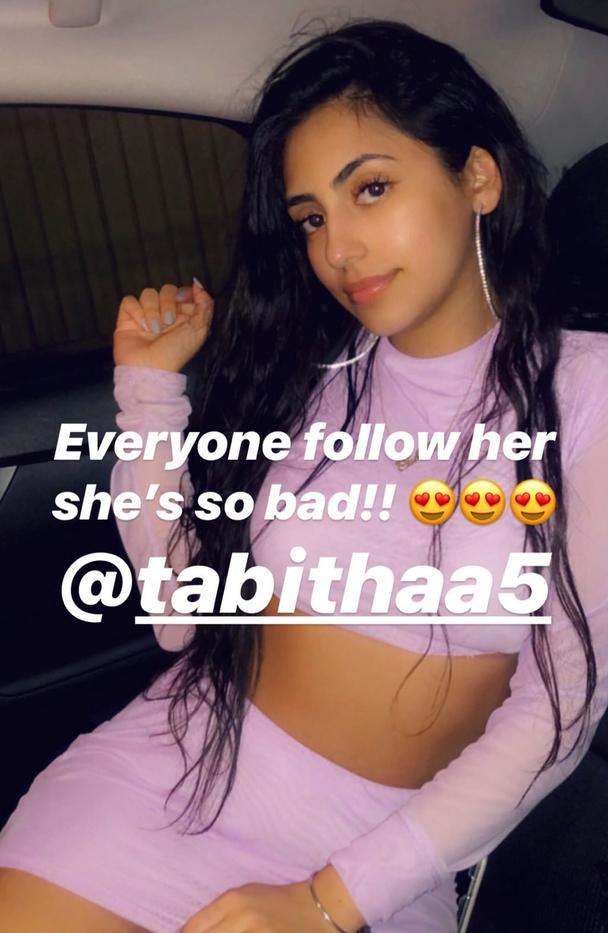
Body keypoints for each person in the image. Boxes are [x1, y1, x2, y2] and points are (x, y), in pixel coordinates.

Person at [1, 16, 607, 933]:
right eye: (313, 218)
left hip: (380, 846)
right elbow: (181, 613)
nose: (338, 249)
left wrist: (331, 900)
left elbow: (556, 713)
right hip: (171, 775)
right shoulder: (314, 377)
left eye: (372, 189)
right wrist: (149, 393)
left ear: (479, 177)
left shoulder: (587, 394)